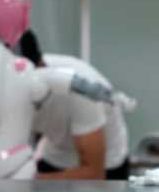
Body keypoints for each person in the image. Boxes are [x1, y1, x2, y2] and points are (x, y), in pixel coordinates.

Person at [18, 31, 130, 181]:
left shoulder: (80, 90)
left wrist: (24, 182)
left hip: (107, 166)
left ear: (41, 67)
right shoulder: (0, 88)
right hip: (56, 154)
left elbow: (95, 174)